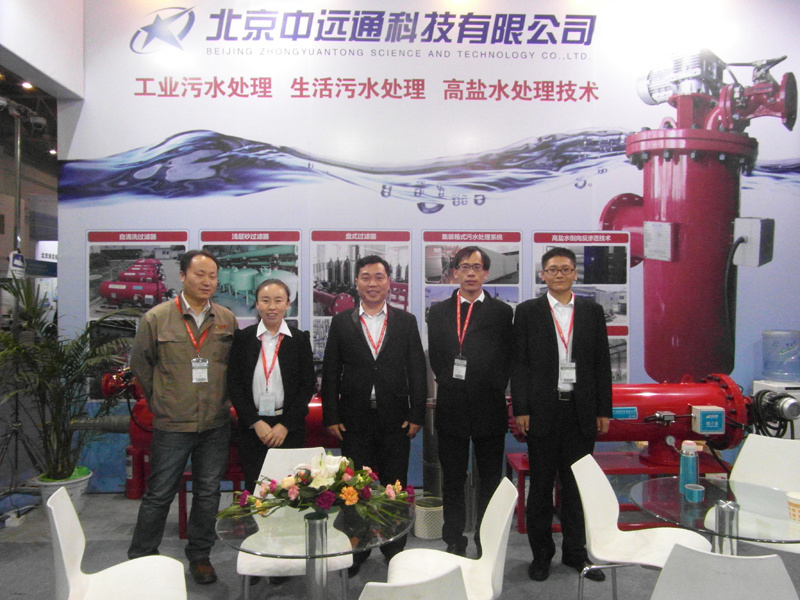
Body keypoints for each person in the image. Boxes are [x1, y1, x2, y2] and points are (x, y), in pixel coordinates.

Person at [128, 249, 237, 585]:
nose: (207, 281)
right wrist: (162, 400)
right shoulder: (157, 318)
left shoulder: (226, 319)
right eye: (199, 274)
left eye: (212, 276)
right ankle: (142, 558)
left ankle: (200, 556)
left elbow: (234, 367)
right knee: (159, 493)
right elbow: (141, 365)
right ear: (182, 276)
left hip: (215, 424)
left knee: (208, 494)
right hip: (173, 423)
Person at [321, 255, 427, 576]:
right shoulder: (342, 322)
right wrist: (331, 415)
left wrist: (417, 413)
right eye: (366, 277)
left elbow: (417, 370)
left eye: (379, 277)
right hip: (354, 419)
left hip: (396, 418)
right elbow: (330, 372)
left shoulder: (405, 321)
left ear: (389, 282)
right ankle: (358, 548)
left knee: (395, 485)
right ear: (356, 283)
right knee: (354, 488)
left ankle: (394, 549)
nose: (372, 283)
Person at [511, 247, 612, 583]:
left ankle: (575, 553)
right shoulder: (528, 312)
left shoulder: (592, 311)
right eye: (552, 269)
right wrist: (521, 408)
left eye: (565, 269)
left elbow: (601, 363)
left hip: (581, 412)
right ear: (543, 275)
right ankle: (541, 556)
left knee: (576, 488)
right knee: (540, 488)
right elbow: (519, 364)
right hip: (542, 411)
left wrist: (603, 409)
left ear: (575, 274)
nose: (559, 274)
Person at [427, 246, 513, 557]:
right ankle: (454, 539)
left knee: (490, 479)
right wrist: (451, 382)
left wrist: (491, 384)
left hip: (489, 406)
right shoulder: (438, 311)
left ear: (486, 273)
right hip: (452, 406)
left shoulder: (502, 313)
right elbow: (437, 356)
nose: (471, 273)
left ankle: (485, 539)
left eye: (477, 267)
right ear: (456, 272)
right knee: (453, 479)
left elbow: (507, 357)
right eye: (465, 267)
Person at [228, 278, 316, 495]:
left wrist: (285, 425)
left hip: (289, 429)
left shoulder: (299, 340)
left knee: (291, 491)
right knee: (256, 491)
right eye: (265, 300)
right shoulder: (243, 338)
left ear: (287, 304)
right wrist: (255, 422)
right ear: (257, 304)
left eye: (278, 300)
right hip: (253, 429)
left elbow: (307, 386)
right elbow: (234, 384)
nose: (272, 307)